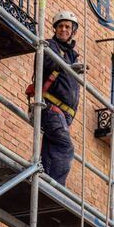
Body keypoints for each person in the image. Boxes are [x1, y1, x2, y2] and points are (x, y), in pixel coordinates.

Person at [28, 10, 85, 185]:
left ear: (73, 31)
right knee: (64, 147)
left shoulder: (70, 54)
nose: (63, 29)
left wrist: (71, 65)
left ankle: (43, 181)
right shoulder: (50, 46)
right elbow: (47, 62)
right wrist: (68, 67)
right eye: (60, 26)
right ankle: (55, 188)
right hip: (51, 108)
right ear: (55, 29)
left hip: (63, 114)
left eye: (68, 27)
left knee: (51, 151)